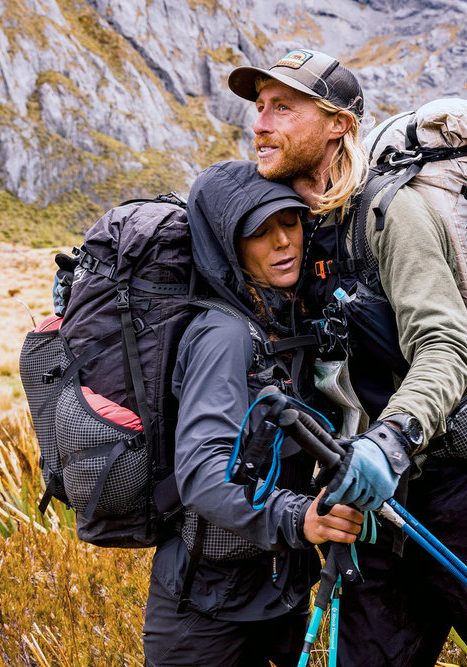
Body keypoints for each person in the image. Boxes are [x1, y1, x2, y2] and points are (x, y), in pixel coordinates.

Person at [226, 49, 467, 666]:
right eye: (259, 108)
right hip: (367, 509)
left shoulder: (392, 213)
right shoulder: (288, 229)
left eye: (283, 107)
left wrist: (388, 443)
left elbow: (446, 347)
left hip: (465, 490)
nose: (260, 124)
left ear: (338, 123)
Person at [142, 160, 364, 667]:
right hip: (205, 619)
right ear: (229, 249)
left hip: (276, 596)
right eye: (260, 234)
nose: (283, 242)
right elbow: (201, 472)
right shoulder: (224, 336)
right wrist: (298, 517)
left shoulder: (281, 322)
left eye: (289, 223)